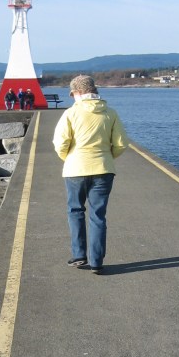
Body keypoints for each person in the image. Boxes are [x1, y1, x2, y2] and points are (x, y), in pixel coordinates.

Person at [52, 75, 129, 274]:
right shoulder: (110, 113)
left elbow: (60, 143)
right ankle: (96, 261)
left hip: (75, 169)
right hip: (103, 169)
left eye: (72, 93)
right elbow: (121, 143)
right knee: (98, 215)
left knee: (75, 210)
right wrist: (107, 157)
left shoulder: (71, 113)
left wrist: (68, 158)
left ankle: (79, 255)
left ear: (77, 92)